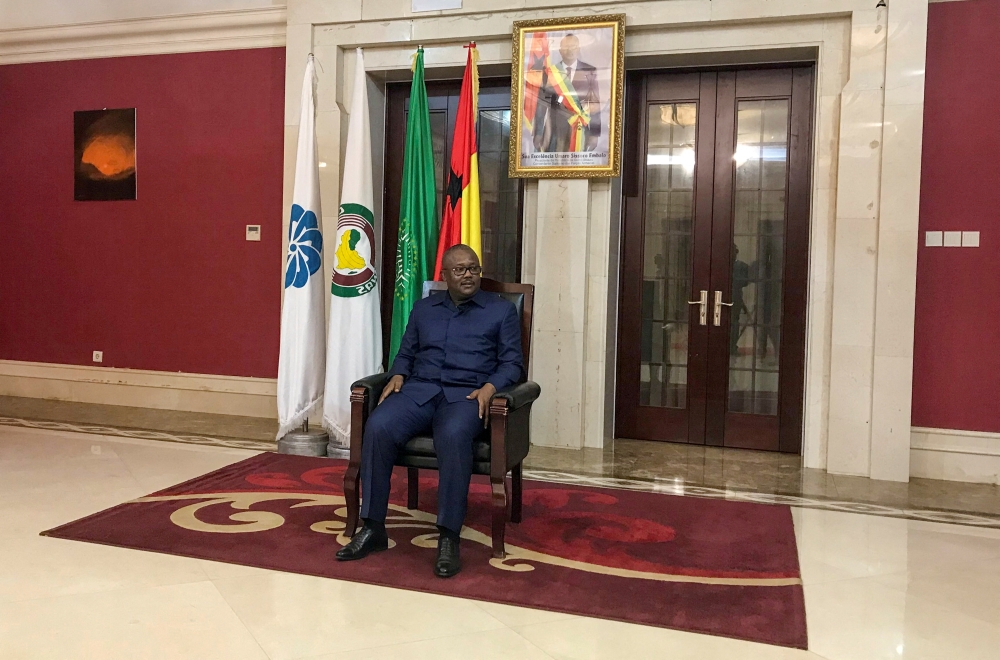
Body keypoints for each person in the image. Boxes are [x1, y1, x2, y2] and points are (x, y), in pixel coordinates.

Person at [336, 244, 523, 578]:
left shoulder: (501, 311)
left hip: (467, 396)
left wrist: (491, 388)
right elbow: (407, 352)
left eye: (474, 268)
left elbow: (512, 364)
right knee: (378, 425)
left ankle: (449, 536)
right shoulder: (424, 309)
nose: (469, 275)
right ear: (445, 275)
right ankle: (373, 527)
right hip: (420, 391)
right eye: (461, 269)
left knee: (452, 435)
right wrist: (396, 375)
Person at [537, 33, 602, 152]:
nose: (570, 50)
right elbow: (542, 104)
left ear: (578, 49)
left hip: (581, 126)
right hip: (556, 128)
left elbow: (595, 103)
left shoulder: (589, 70)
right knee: (556, 167)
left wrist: (594, 134)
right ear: (560, 51)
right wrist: (537, 133)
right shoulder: (550, 72)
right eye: (566, 47)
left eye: (573, 47)